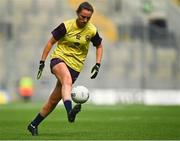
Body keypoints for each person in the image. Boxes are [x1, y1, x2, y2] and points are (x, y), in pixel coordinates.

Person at [27, 1, 103, 136]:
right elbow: (50, 42)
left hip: (75, 67)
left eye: (88, 18)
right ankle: (69, 112)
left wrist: (97, 64)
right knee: (67, 80)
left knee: (53, 101)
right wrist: (42, 61)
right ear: (77, 14)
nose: (85, 20)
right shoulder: (66, 26)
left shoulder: (92, 30)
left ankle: (33, 124)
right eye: (82, 17)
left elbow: (99, 46)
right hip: (59, 60)